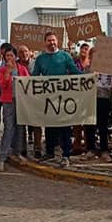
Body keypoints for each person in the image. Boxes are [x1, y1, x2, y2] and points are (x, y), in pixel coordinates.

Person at [33, 31, 80, 167]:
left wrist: (88, 77)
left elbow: (74, 72)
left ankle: (66, 155)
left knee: (65, 127)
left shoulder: (65, 56)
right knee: (49, 127)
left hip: (63, 98)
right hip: (48, 99)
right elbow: (35, 76)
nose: (52, 43)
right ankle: (49, 152)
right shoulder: (40, 59)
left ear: (57, 41)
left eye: (53, 40)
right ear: (45, 42)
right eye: (49, 40)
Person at [0, 46, 29, 171]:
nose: (9, 58)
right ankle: (2, 157)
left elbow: (28, 83)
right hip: (8, 102)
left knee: (20, 127)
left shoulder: (22, 69)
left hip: (21, 102)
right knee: (9, 128)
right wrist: (7, 72)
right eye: (7, 56)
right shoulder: (2, 70)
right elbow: (2, 85)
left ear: (15, 57)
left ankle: (18, 152)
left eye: (11, 55)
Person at [83, 47, 112, 162]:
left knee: (103, 126)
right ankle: (91, 149)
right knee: (90, 125)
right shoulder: (86, 69)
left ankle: (104, 150)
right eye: (93, 56)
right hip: (90, 100)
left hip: (103, 99)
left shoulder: (107, 69)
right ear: (90, 57)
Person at [17, 45, 42, 159]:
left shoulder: (36, 63)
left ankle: (37, 148)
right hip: (21, 99)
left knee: (36, 123)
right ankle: (22, 148)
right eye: (21, 52)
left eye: (26, 51)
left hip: (35, 98)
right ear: (18, 54)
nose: (24, 54)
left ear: (30, 52)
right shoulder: (15, 65)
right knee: (21, 125)